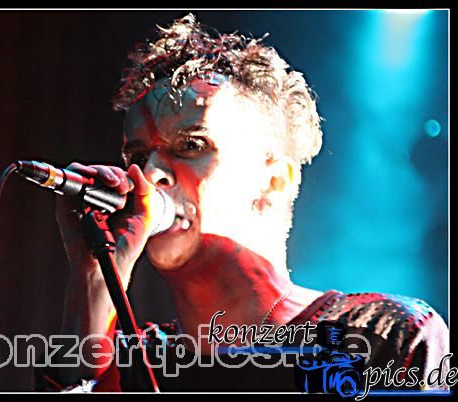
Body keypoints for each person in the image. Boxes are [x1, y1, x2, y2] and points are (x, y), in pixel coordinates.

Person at [35, 14, 449, 393]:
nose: (150, 174)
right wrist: (95, 273)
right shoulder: (127, 364)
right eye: (138, 156)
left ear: (273, 181)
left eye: (191, 145)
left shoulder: (381, 337)